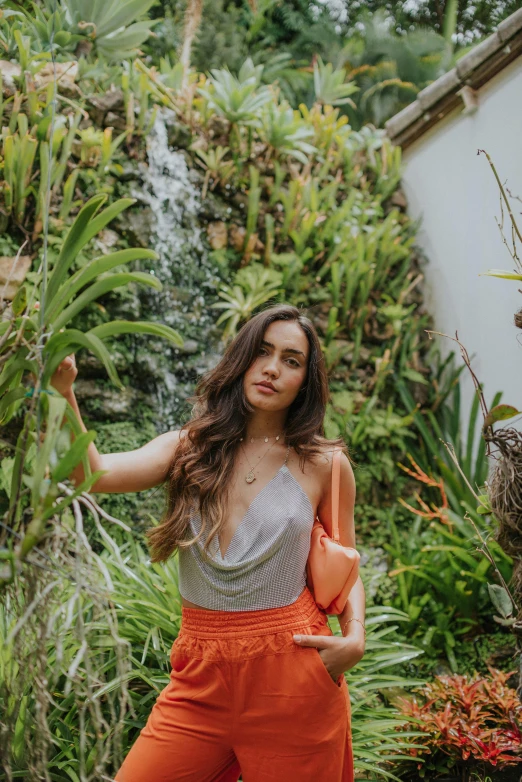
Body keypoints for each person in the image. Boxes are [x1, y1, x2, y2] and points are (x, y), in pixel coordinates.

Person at [52, 303, 366, 782]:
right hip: (200, 674)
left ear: (306, 379)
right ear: (241, 359)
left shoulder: (324, 464)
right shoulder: (188, 448)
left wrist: (355, 637)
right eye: (262, 352)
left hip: (292, 674)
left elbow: (347, 565)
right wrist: (62, 392)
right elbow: (92, 473)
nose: (272, 368)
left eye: (291, 359)